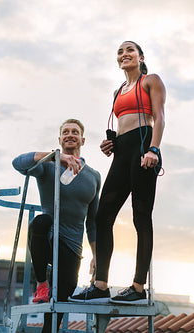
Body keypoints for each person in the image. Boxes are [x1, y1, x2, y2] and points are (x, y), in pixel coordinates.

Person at [69, 41, 166, 305]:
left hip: (144, 148)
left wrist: (153, 150)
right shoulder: (117, 91)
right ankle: (100, 285)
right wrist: (111, 143)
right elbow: (122, 124)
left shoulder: (151, 81)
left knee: (141, 216)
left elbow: (159, 117)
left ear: (140, 57)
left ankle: (137, 287)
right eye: (120, 52)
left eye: (129, 50)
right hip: (123, 151)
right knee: (103, 216)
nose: (124, 55)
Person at [12, 119, 101, 332]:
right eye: (66, 132)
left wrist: (98, 257)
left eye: (75, 132)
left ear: (82, 139)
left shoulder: (94, 176)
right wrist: (55, 157)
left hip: (72, 247)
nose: (70, 135)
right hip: (48, 237)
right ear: (60, 139)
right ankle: (42, 284)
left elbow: (93, 221)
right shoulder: (47, 166)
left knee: (58, 310)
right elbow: (18, 163)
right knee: (40, 221)